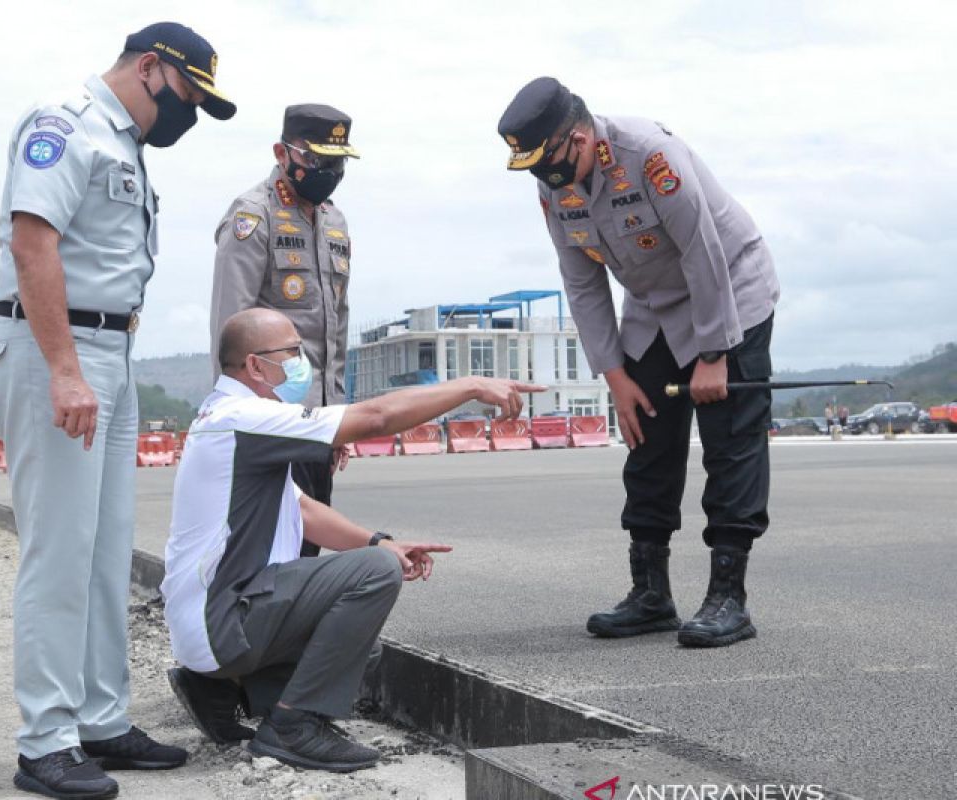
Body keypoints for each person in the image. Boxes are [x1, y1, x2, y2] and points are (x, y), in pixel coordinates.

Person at [0, 22, 235, 800]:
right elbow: (34, 245)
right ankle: (46, 741)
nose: (187, 112)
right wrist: (63, 369)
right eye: (188, 94)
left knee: (103, 551)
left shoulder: (126, 145)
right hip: (54, 348)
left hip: (111, 353)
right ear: (149, 67)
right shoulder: (64, 123)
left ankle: (99, 719)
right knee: (59, 549)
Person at [162, 309, 542, 771]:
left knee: (360, 645)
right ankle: (292, 727)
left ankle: (221, 690)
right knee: (374, 575)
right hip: (222, 622)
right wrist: (471, 386)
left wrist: (379, 542)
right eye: (292, 353)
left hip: (206, 626)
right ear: (255, 366)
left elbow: (303, 510)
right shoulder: (245, 416)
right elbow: (377, 416)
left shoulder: (232, 420)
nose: (302, 363)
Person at [498, 77, 780, 648]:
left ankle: (729, 596)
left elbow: (704, 253)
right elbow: (582, 284)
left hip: (730, 296)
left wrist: (713, 354)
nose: (542, 178)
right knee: (645, 436)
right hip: (653, 307)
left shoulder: (650, 157)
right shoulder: (556, 186)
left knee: (730, 441)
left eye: (546, 162)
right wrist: (616, 377)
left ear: (578, 138)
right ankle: (651, 594)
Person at [209, 104, 359, 557]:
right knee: (267, 553)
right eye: (316, 160)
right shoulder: (253, 216)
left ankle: (296, 631)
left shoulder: (334, 222)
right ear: (282, 152)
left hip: (316, 423)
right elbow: (230, 325)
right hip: (269, 422)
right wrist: (234, 423)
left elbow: (336, 329)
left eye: (337, 163)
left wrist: (337, 419)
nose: (328, 172)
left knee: (308, 551)